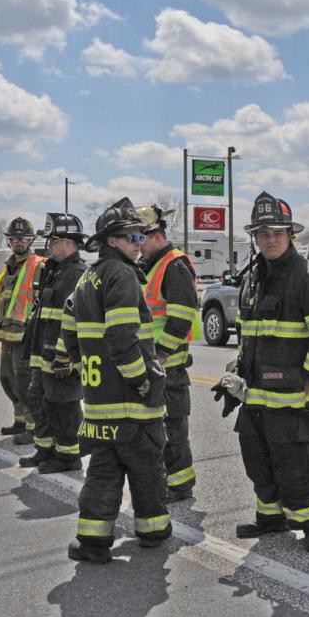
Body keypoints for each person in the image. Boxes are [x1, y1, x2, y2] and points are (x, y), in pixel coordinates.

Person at [215, 192, 309, 553]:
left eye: (277, 232)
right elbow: (247, 335)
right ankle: (271, 518)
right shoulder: (253, 278)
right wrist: (235, 374)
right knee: (257, 460)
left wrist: (307, 379)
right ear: (255, 238)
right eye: (262, 232)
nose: (270, 238)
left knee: (295, 465)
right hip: (253, 396)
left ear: (291, 234)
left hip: (290, 396)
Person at [60, 197, 170, 563]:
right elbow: (123, 340)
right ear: (111, 240)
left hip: (98, 402)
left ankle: (92, 542)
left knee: (103, 474)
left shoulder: (87, 278)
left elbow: (68, 332)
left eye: (141, 237)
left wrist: (84, 367)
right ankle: (153, 531)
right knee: (146, 469)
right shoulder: (121, 275)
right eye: (132, 238)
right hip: (130, 403)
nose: (140, 244)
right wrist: (141, 380)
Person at [137, 204, 201, 502]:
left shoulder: (174, 265)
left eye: (140, 239)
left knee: (173, 429)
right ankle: (167, 480)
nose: (137, 246)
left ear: (157, 236)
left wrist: (161, 354)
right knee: (157, 428)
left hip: (169, 366)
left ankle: (179, 485)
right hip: (153, 364)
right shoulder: (150, 266)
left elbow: (182, 316)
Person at [20, 213, 88, 473]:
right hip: (44, 352)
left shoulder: (77, 274)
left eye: (53, 240)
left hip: (61, 356)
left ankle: (69, 458)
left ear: (68, 242)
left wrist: (65, 356)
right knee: (41, 400)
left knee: (64, 407)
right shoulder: (56, 270)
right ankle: (45, 450)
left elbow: (73, 321)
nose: (48, 245)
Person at [0, 218, 46, 444]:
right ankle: (20, 420)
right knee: (7, 379)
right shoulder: (7, 267)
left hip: (26, 336)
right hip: (7, 335)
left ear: (30, 241)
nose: (18, 242)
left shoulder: (39, 265)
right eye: (14, 239)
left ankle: (34, 428)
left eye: (22, 238)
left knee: (25, 382)